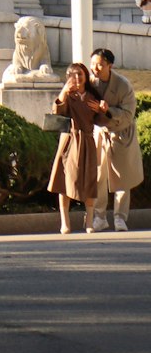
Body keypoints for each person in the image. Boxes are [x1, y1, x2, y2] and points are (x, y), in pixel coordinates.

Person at [89, 47, 144, 232]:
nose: (95, 68)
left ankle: (120, 217)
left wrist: (108, 111)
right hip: (99, 133)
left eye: (99, 65)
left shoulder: (123, 85)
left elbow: (128, 114)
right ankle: (99, 217)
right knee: (98, 176)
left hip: (121, 133)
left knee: (122, 177)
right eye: (93, 64)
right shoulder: (90, 83)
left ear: (109, 65)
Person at [48, 62, 106, 234]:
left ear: (86, 76)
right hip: (70, 141)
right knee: (64, 181)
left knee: (89, 181)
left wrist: (103, 109)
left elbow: (102, 119)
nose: (77, 78)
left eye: (80, 74)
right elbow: (57, 111)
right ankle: (64, 222)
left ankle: (89, 221)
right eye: (73, 75)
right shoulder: (68, 95)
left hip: (87, 141)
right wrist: (64, 92)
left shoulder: (92, 96)